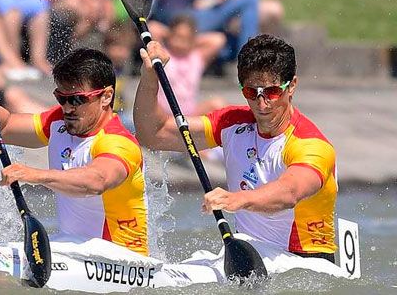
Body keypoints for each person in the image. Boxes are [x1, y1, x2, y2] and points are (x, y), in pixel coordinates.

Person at [134, 34, 338, 262]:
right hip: (250, 255)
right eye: (252, 93)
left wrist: (237, 199)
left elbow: (289, 193)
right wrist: (150, 77)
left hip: (305, 264)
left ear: (292, 86)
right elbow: (153, 134)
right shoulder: (232, 123)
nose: (261, 105)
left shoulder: (311, 144)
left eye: (271, 92)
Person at [0, 48, 149, 256]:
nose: (67, 108)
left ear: (106, 96)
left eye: (76, 99)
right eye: (61, 97)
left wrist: (35, 175)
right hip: (74, 248)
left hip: (123, 261)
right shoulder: (59, 122)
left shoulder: (118, 142)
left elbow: (96, 181)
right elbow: (1, 128)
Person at [157, 15, 225, 116]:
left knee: (218, 104)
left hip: (189, 114)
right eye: (177, 37)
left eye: (185, 38)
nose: (180, 42)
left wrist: (191, 40)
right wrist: (171, 35)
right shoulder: (162, 54)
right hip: (163, 114)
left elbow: (218, 39)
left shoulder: (197, 57)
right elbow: (153, 28)